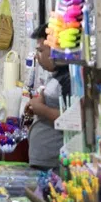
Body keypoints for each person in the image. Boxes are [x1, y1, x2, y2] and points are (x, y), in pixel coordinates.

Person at [28, 23, 71, 170]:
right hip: (43, 159)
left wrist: (40, 109)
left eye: (40, 50)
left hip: (54, 162)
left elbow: (71, 118)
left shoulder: (69, 78)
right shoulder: (55, 75)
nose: (37, 56)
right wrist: (38, 101)